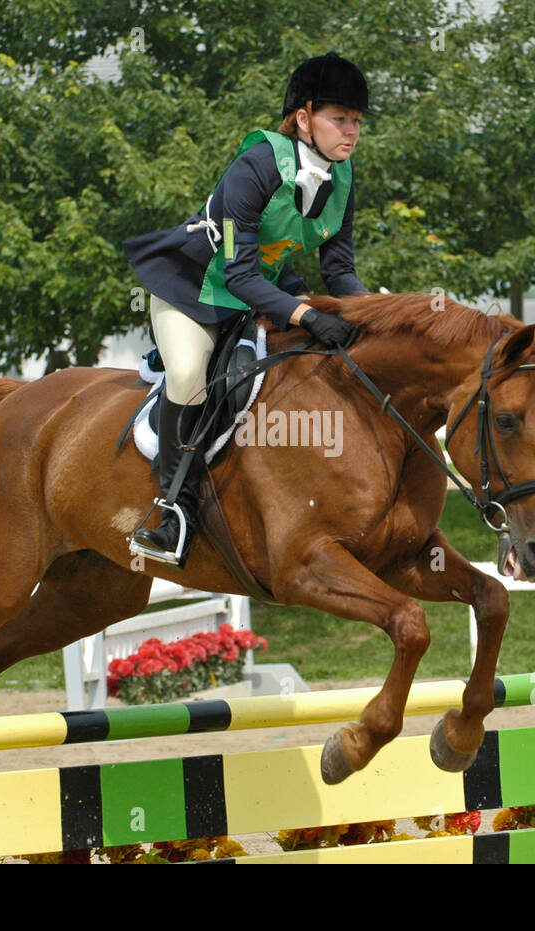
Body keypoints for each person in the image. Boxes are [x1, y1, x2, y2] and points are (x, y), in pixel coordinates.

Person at [122, 51, 370, 566]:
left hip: (259, 291)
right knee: (190, 374)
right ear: (303, 118)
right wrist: (304, 315)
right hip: (192, 291)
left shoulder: (341, 180)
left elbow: (340, 271)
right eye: (339, 118)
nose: (351, 132)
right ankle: (173, 513)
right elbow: (238, 274)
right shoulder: (256, 166)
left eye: (357, 121)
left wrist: (378, 315)